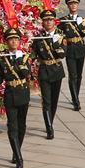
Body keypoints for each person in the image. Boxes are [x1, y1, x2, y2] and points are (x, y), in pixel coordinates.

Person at [0, 28, 30, 168]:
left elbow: (26, 73)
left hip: (22, 93)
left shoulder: (25, 56)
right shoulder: (2, 59)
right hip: (10, 94)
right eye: (11, 39)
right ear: (7, 42)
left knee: (22, 126)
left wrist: (20, 59)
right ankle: (19, 158)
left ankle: (16, 151)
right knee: (12, 126)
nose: (14, 41)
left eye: (16, 39)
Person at [32, 9, 66, 139]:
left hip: (56, 69)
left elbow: (62, 54)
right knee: (46, 101)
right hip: (44, 70)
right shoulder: (39, 37)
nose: (48, 22)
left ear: (54, 21)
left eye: (50, 20)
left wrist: (56, 43)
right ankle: (49, 128)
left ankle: (50, 121)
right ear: (43, 22)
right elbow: (34, 54)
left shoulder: (60, 35)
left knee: (54, 100)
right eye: (46, 20)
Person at [60, 0, 85, 110]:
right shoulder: (63, 21)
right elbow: (58, 34)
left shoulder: (83, 20)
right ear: (68, 6)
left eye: (75, 4)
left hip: (80, 48)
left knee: (79, 75)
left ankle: (76, 94)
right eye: (71, 4)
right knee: (72, 75)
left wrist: (80, 25)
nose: (73, 6)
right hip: (70, 49)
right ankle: (75, 100)